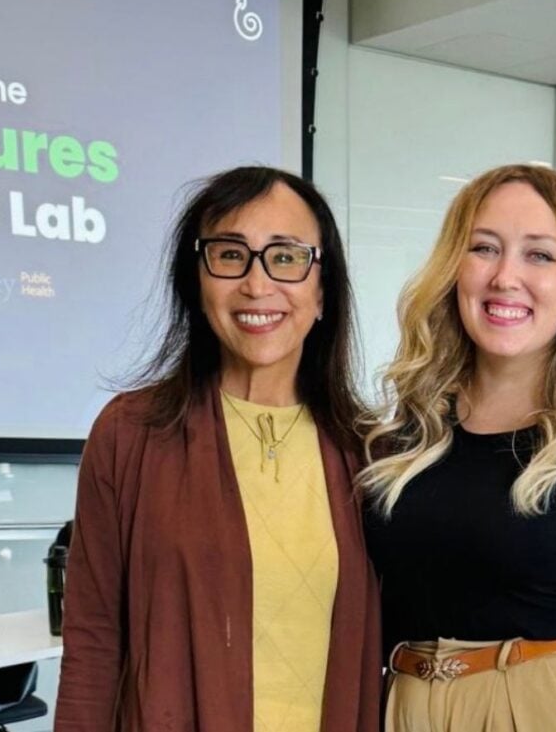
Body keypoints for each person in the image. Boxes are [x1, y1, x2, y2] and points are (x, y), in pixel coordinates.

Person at [359, 164, 556, 732]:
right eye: (484, 248)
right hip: (408, 703)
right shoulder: (409, 432)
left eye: (540, 255)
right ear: (453, 269)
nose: (505, 276)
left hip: (547, 708)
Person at [55, 166, 380, 732]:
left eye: (286, 257)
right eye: (230, 255)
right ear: (196, 282)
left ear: (322, 289)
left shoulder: (369, 451)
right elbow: (93, 641)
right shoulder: (130, 434)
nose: (258, 285)